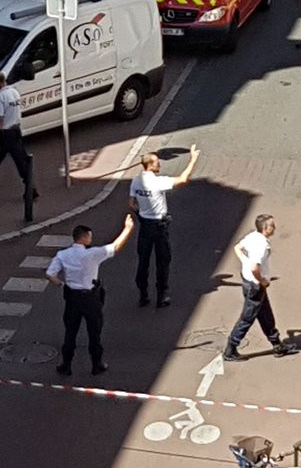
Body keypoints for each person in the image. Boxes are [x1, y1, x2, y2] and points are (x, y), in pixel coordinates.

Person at [47, 214, 136, 377]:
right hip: (90, 298)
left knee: (70, 333)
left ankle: (66, 365)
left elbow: (50, 274)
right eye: (89, 237)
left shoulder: (62, 255)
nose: (91, 240)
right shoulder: (92, 254)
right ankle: (97, 364)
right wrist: (127, 229)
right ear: (84, 238)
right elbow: (115, 247)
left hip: (72, 298)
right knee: (94, 333)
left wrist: (61, 284)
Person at [128, 144, 201, 308]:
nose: (159, 164)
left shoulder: (136, 182)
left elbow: (131, 204)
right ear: (149, 165)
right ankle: (161, 296)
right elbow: (183, 179)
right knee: (163, 261)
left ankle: (143, 294)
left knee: (143, 261)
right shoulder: (158, 182)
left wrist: (142, 213)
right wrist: (192, 160)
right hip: (159, 226)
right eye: (156, 162)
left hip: (145, 226)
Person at [222, 215, 299, 362]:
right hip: (255, 286)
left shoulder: (252, 236)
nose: (274, 228)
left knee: (266, 315)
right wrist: (261, 280)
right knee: (247, 318)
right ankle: (231, 348)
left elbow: (238, 247)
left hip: (249, 283)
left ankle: (277, 345)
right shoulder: (261, 245)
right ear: (265, 228)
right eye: (272, 226)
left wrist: (245, 261)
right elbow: (254, 267)